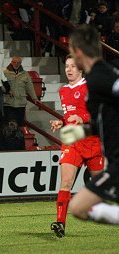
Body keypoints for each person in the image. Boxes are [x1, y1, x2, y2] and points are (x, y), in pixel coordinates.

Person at [62, 24, 119, 226]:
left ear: (77, 51)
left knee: (78, 207)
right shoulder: (99, 76)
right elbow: (105, 121)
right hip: (113, 161)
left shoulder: (100, 77)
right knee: (79, 208)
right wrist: (82, 131)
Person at [49, 54, 104, 237]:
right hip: (72, 142)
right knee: (65, 182)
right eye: (67, 66)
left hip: (92, 140)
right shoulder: (63, 90)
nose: (69, 69)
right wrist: (61, 122)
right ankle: (60, 223)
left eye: (73, 66)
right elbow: (69, 115)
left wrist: (83, 118)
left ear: (80, 69)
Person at [3, 56, 38, 126]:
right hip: (8, 102)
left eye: (18, 62)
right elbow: (1, 85)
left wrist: (34, 98)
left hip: (20, 103)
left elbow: (30, 87)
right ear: (11, 62)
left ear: (21, 63)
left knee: (20, 124)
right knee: (8, 124)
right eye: (14, 62)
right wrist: (7, 91)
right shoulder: (5, 73)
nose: (16, 64)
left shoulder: (25, 74)